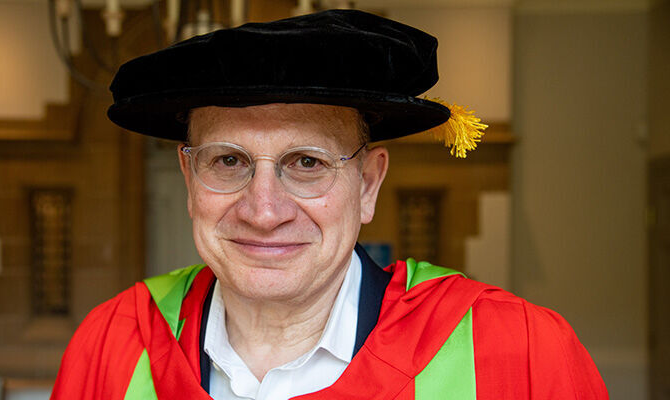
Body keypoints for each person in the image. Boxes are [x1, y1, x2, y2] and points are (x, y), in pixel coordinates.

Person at [50, 9, 608, 400]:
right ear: (189, 178)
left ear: (367, 184)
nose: (263, 211)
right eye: (228, 161)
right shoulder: (114, 342)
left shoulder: (518, 352)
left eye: (307, 163)